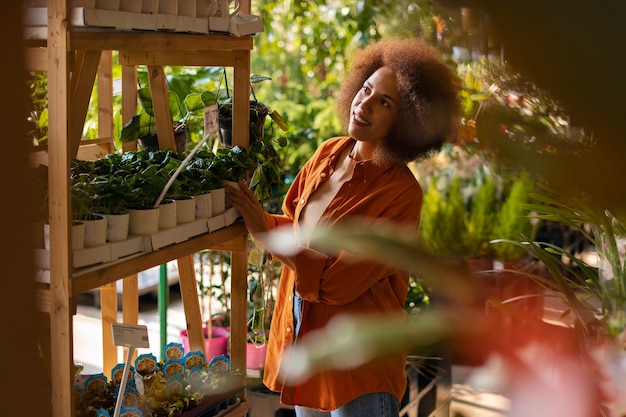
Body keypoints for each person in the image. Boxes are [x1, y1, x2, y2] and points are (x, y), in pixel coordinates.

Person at [225, 37, 460, 417]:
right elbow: (297, 231)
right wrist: (257, 216)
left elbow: (338, 282)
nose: (364, 104)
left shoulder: (401, 194)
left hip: (361, 365)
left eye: (384, 102)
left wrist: (264, 232)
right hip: (310, 343)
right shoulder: (328, 153)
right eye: (366, 89)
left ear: (407, 122)